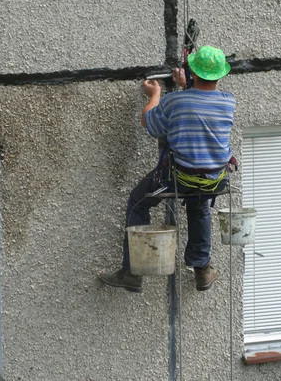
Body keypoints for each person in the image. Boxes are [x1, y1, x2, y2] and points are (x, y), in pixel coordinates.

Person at [98, 46, 236, 293]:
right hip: (214, 179)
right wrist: (187, 85)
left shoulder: (175, 101)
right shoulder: (228, 102)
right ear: (219, 75)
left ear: (193, 70)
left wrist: (155, 94)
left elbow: (150, 124)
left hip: (181, 177)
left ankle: (133, 272)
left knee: (138, 201)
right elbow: (197, 108)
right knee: (199, 204)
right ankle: (201, 268)